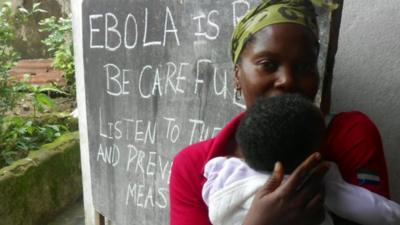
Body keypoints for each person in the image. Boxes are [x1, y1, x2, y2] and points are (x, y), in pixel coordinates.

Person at [169, 1, 390, 224]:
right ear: (237, 75)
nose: (288, 80)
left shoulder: (349, 134)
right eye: (268, 64)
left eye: (305, 67)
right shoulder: (194, 166)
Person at [202, 94, 400, 225]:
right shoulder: (309, 184)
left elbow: (209, 189)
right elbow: (373, 209)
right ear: (312, 156)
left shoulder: (225, 170)